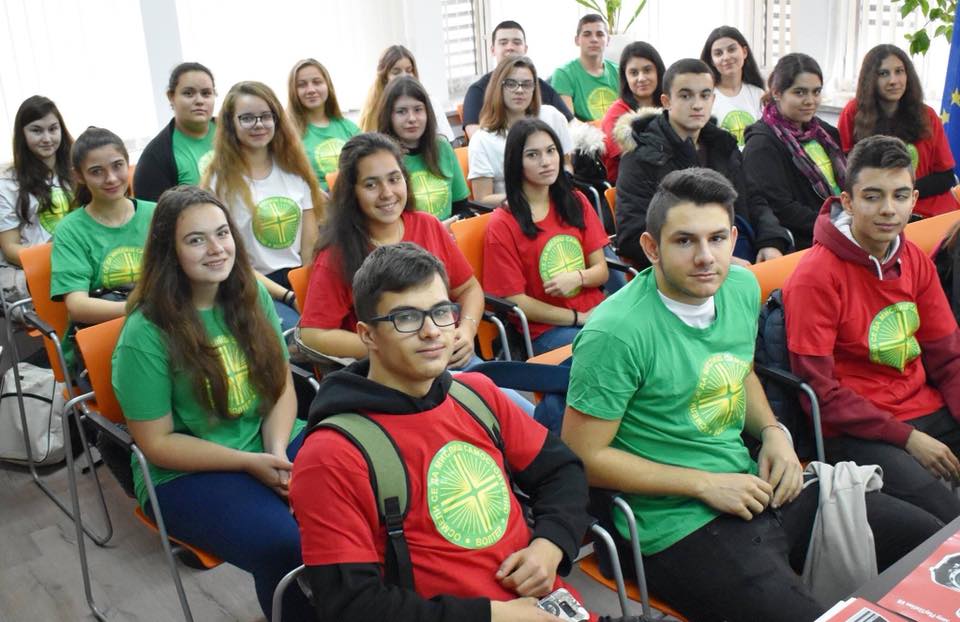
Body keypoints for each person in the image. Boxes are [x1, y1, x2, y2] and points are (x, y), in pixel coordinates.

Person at [562, 167, 942, 622]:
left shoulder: (739, 287)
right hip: (677, 525)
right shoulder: (616, 333)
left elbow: (739, 371)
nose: (705, 257)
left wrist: (773, 432)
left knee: (932, 545)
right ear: (651, 248)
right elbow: (584, 457)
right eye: (684, 241)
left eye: (717, 238)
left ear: (733, 239)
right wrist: (704, 483)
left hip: (754, 484)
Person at [289, 241, 625, 622]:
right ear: (367, 336)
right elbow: (352, 606)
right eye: (406, 318)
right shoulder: (332, 455)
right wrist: (494, 616)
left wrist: (550, 544)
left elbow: (562, 470)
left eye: (440, 312)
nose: (431, 331)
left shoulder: (476, 395)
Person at [113, 185, 311, 621]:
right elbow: (157, 443)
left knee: (355, 501)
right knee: (286, 546)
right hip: (184, 471)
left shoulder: (249, 293)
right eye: (196, 240)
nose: (217, 248)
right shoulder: (146, 332)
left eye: (222, 233)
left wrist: (276, 452)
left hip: (269, 441)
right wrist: (250, 463)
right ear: (169, 251)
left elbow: (280, 384)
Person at [783, 135, 960, 522]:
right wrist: (908, 438)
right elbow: (821, 394)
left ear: (914, 200)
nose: (888, 210)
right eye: (873, 196)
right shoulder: (815, 276)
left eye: (900, 196)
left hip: (925, 409)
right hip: (857, 432)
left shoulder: (914, 258)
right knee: (950, 519)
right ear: (847, 201)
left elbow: (949, 358)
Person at [299, 132, 483, 368]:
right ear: (352, 192)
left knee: (505, 391)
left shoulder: (427, 225)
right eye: (371, 184)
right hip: (391, 372)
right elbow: (313, 335)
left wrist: (467, 329)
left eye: (394, 179)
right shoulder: (338, 253)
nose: (387, 193)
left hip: (448, 356)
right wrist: (386, 347)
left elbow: (469, 288)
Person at [615, 59, 790, 269]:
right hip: (686, 269)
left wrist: (770, 241)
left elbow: (753, 199)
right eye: (685, 95)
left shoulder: (723, 146)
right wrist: (714, 257)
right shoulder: (641, 157)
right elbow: (632, 235)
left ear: (713, 99)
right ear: (666, 101)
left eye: (705, 95)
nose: (697, 104)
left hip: (738, 251)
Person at [202, 81, 322, 332]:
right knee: (298, 336)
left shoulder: (295, 170)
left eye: (266, 116)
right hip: (250, 284)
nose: (258, 124)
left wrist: (308, 290)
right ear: (231, 123)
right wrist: (288, 296)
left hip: (298, 279)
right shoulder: (218, 182)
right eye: (247, 118)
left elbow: (309, 247)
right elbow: (231, 259)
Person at [483, 118, 608, 355]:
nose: (546, 161)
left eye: (551, 151)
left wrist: (578, 278)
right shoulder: (502, 224)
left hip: (596, 313)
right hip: (548, 330)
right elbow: (517, 301)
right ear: (516, 163)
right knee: (603, 349)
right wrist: (577, 317)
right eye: (533, 155)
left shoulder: (576, 201)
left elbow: (601, 270)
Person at [51, 127, 156, 372]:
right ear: (79, 176)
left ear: (128, 163)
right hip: (105, 341)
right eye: (96, 171)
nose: (111, 178)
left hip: (162, 329)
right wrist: (142, 310)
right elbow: (77, 306)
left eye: (117, 166)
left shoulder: (157, 213)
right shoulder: (71, 230)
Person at [838, 44, 956, 217]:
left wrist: (899, 192)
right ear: (870, 78)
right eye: (883, 73)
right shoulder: (853, 112)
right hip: (876, 213)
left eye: (899, 71)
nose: (893, 80)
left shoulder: (927, 115)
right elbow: (844, 171)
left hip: (930, 212)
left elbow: (946, 178)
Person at [743, 53, 846, 250]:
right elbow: (780, 208)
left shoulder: (825, 132)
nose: (810, 101)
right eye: (800, 92)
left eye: (816, 92)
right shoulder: (761, 144)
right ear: (777, 93)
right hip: (807, 243)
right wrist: (837, 224)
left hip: (841, 228)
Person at [468, 56, 572, 206]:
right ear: (498, 88)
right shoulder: (482, 139)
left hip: (558, 202)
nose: (520, 90)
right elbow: (482, 198)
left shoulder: (552, 116)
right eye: (511, 84)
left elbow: (567, 165)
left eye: (527, 84)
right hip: (514, 209)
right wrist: (529, 199)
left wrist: (561, 188)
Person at [0, 95, 74, 302]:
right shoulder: (7, 183)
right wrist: (61, 259)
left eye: (53, 129)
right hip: (39, 270)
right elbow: (10, 248)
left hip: (83, 262)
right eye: (36, 130)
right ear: (22, 134)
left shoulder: (77, 170)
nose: (47, 138)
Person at [375, 76, 470, 222]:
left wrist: (448, 226)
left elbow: (462, 208)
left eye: (418, 110)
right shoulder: (381, 157)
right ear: (389, 116)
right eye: (401, 111)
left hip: (447, 232)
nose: (412, 118)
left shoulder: (442, 147)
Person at [461, 20, 573, 139]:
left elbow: (571, 126)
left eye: (517, 42)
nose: (510, 47)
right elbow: (476, 137)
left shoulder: (541, 86)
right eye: (503, 43)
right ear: (493, 50)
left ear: (525, 49)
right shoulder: (477, 91)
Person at [134, 62, 217, 202]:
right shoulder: (155, 158)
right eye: (188, 93)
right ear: (171, 97)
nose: (199, 101)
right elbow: (155, 213)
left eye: (206, 93)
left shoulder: (233, 132)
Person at [287, 58, 359, 193]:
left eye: (317, 82)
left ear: (328, 85)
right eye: (302, 85)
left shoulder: (349, 128)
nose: (311, 90)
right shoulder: (286, 133)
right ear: (293, 91)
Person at [358, 45, 455, 141]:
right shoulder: (373, 108)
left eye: (409, 71)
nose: (404, 76)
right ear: (384, 78)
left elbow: (447, 141)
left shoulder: (430, 103)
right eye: (396, 72)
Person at [600, 41, 664, 184]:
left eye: (647, 70)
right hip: (630, 185)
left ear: (658, 71)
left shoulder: (669, 103)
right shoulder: (616, 114)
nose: (641, 78)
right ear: (625, 77)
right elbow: (632, 160)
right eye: (634, 73)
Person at [699, 26, 766, 148]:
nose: (726, 57)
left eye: (731, 49)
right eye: (718, 53)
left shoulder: (759, 94)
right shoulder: (705, 97)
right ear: (712, 61)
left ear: (744, 52)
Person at [550, 14, 619, 122]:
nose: (594, 39)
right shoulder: (563, 74)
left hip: (619, 131)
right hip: (583, 132)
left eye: (600, 34)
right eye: (587, 35)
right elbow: (569, 122)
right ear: (577, 40)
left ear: (608, 40)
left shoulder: (619, 72)